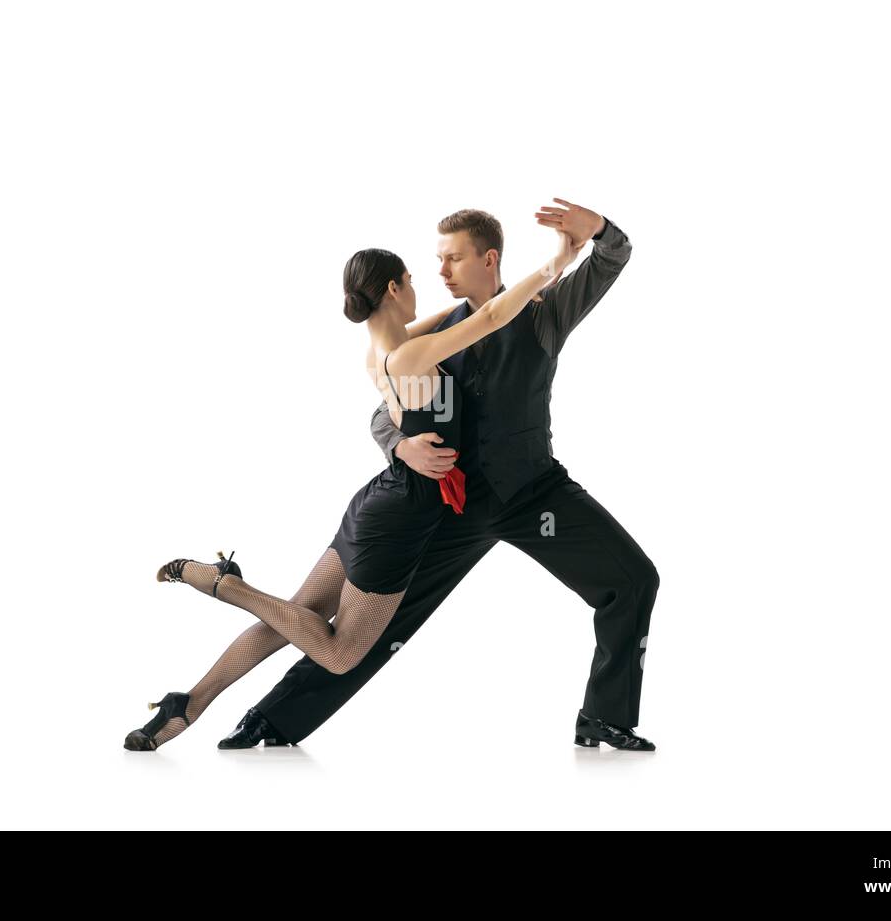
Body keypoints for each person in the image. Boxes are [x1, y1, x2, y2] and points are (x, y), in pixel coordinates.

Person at [217, 199, 661, 752]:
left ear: (489, 258)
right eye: (436, 260)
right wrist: (400, 446)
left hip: (534, 493)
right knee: (379, 628)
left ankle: (604, 716)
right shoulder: (435, 333)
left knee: (634, 578)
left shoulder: (545, 310)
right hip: (453, 504)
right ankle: (273, 720)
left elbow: (612, 257)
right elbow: (385, 408)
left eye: (452, 259)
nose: (441, 272)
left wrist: (594, 230)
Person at [123, 222, 582, 751]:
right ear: (392, 289)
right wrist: (554, 266)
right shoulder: (413, 355)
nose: (420, 285)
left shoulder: (383, 353)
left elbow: (476, 317)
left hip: (377, 500)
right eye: (410, 278)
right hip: (403, 517)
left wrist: (404, 444)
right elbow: (495, 315)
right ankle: (228, 584)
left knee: (294, 619)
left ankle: (189, 704)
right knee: (339, 651)